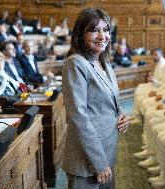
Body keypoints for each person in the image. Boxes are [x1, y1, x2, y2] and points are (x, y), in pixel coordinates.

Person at [62, 8, 130, 189]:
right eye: (94, 30)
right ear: (80, 34)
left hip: (108, 148)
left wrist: (121, 115)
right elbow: (78, 117)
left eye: (106, 30)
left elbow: (109, 101)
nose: (102, 36)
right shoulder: (75, 63)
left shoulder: (104, 61)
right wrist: (99, 163)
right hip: (87, 157)